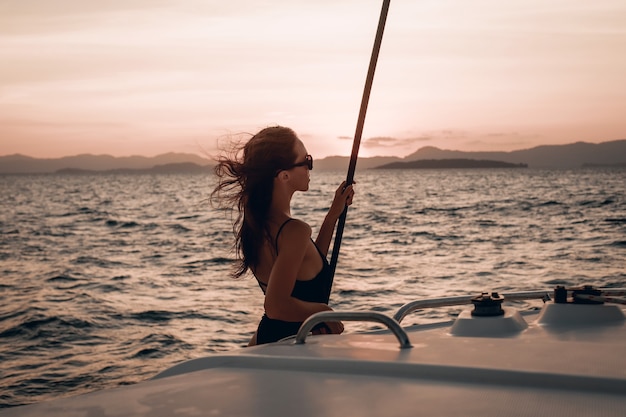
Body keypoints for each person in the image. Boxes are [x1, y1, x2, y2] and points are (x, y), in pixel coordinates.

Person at [211, 126, 355, 346]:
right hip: (292, 348)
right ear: (284, 175)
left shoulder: (260, 225)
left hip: (266, 344)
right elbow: (276, 306)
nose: (310, 167)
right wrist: (323, 312)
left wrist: (332, 215)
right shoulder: (293, 230)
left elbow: (307, 266)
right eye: (306, 161)